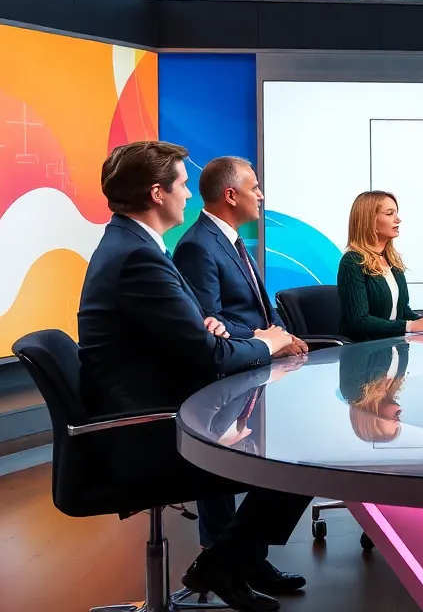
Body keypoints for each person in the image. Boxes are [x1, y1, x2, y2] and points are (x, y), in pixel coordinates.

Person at [77, 141, 311, 612]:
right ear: (158, 193)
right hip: (146, 432)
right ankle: (222, 565)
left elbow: (191, 334)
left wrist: (206, 328)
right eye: (183, 185)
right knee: (296, 460)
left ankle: (231, 563)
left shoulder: (133, 245)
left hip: (154, 407)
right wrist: (264, 343)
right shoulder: (138, 255)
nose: (190, 195)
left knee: (284, 446)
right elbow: (208, 358)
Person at [173, 155, 308, 551]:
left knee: (281, 461)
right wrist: (267, 337)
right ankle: (223, 562)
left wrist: (282, 335)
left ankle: (247, 560)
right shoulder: (198, 245)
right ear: (231, 195)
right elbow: (207, 321)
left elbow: (256, 310)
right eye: (255, 188)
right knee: (232, 472)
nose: (262, 196)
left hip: (254, 367)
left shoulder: (228, 239)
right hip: (226, 378)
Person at [337, 191, 423, 342]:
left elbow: (402, 311)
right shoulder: (352, 261)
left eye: (396, 213)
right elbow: (358, 322)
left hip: (394, 351)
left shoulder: (392, 261)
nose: (398, 220)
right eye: (389, 214)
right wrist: (410, 326)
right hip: (366, 357)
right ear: (370, 220)